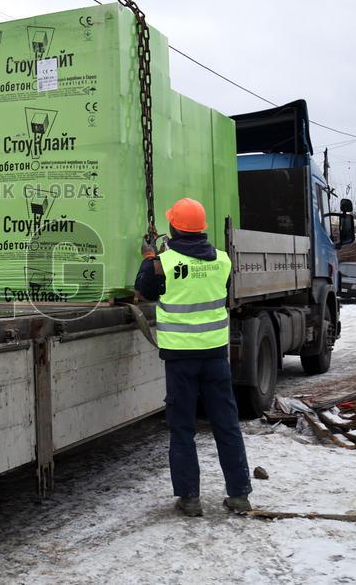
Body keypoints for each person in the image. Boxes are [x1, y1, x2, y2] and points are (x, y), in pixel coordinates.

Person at [134, 197, 252, 517]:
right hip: (215, 357)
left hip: (180, 360)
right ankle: (239, 494)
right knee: (226, 425)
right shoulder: (224, 261)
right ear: (202, 229)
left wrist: (149, 254)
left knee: (183, 426)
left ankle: (189, 498)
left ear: (173, 227)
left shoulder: (161, 263)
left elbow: (145, 290)